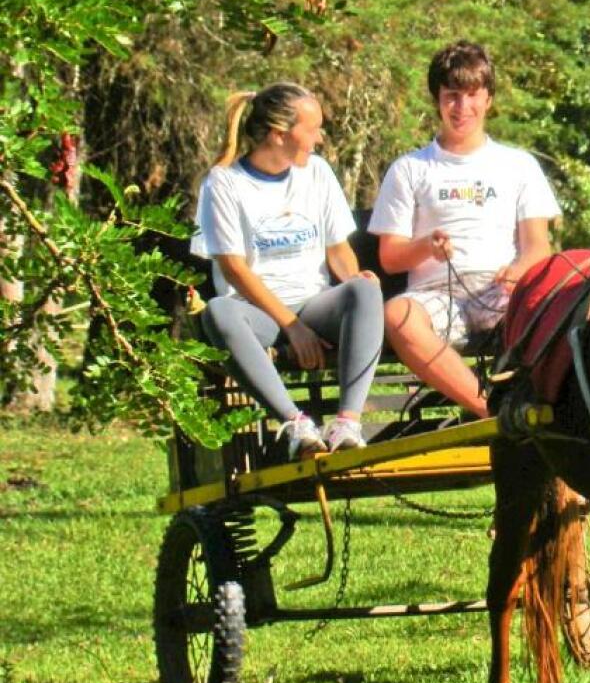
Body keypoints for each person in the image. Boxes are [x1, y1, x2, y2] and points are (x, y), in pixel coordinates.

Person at [192, 83, 384, 458]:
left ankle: (347, 423)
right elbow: (234, 269)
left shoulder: (317, 173)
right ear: (280, 134)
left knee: (365, 289)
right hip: (259, 312)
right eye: (312, 130)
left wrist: (354, 281)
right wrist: (291, 327)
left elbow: (338, 249)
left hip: (313, 303)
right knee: (218, 312)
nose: (320, 139)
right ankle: (295, 424)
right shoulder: (224, 182)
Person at [369, 41, 560, 418]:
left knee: (558, 309)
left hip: (501, 290)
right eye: (451, 96)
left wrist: (519, 270)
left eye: (472, 95)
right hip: (436, 296)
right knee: (397, 316)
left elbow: (539, 246)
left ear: (488, 99)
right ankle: (491, 410)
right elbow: (390, 258)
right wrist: (427, 247)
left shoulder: (518, 165)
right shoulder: (409, 169)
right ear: (437, 100)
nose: (462, 108)